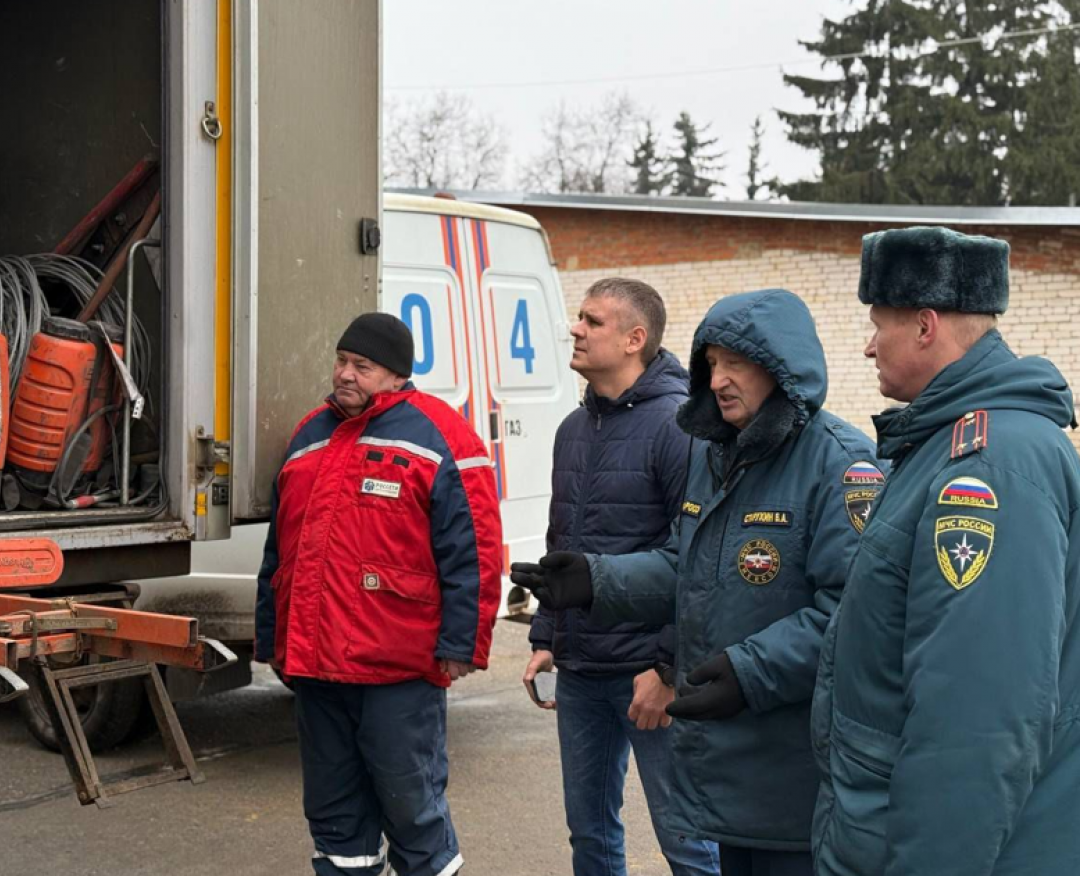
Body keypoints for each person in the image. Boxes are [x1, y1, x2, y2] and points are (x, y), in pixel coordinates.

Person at [514, 289, 881, 876]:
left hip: (796, 767)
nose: (718, 379)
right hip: (731, 765)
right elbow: (689, 569)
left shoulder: (842, 465)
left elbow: (852, 614)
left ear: (781, 367)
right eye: (711, 364)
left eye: (736, 363)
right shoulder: (721, 458)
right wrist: (593, 580)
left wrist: (747, 670)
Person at [812, 227, 1080, 876]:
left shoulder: (989, 464)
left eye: (880, 324)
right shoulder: (942, 442)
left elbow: (978, 723)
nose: (868, 344)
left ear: (926, 326)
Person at [255, 312, 502, 876]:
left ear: (396, 376)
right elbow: (280, 551)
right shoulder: (308, 434)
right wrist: (271, 638)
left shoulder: (439, 433)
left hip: (399, 669)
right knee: (334, 814)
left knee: (412, 809)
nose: (345, 375)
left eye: (361, 367)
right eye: (342, 361)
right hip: (317, 668)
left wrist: (463, 642)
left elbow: (476, 549)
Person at [523, 278, 720, 876]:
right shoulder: (572, 431)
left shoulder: (679, 428)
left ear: (636, 339)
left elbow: (697, 559)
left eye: (592, 321)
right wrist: (544, 636)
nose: (575, 330)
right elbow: (566, 545)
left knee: (688, 842)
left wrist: (667, 668)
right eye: (578, 318)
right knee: (590, 836)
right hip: (582, 672)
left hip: (647, 677)